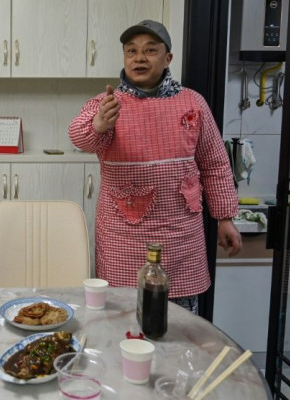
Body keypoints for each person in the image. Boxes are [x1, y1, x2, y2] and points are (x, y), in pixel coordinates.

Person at [68, 20, 241, 314]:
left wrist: (225, 217)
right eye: (131, 51)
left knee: (179, 322)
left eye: (150, 50)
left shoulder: (192, 102)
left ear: (168, 58)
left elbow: (215, 163)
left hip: (181, 235)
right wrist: (99, 124)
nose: (139, 58)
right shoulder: (108, 104)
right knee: (121, 318)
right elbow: (79, 136)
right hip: (122, 236)